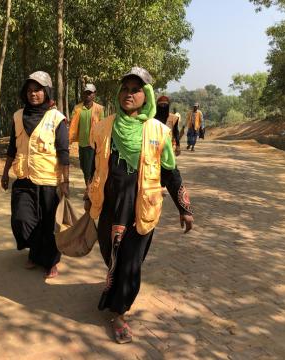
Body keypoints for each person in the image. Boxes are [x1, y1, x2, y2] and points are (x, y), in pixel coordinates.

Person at [85, 67, 194, 344]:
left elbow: (170, 172)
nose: (129, 94)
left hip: (141, 207)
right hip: (110, 205)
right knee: (111, 254)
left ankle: (119, 314)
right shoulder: (103, 127)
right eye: (125, 89)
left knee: (131, 262)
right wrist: (89, 194)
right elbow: (94, 166)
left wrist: (184, 208)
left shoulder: (159, 131)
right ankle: (116, 285)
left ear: (146, 96)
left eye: (136, 90)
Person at [1, 71, 69, 279]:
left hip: (48, 179)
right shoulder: (18, 116)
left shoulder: (57, 118)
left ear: (46, 92)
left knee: (48, 223)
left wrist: (65, 181)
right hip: (23, 178)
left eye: (38, 90)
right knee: (22, 219)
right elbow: (12, 147)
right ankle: (34, 249)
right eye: (29, 90)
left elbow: (63, 151)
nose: (33, 94)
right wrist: (5, 172)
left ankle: (50, 261)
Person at [69, 84, 104, 184]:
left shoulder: (99, 109)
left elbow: (102, 126)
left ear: (94, 95)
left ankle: (89, 189)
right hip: (81, 144)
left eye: (90, 93)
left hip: (93, 144)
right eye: (86, 93)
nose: (88, 95)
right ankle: (88, 186)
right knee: (83, 167)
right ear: (83, 94)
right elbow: (73, 124)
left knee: (90, 168)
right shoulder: (77, 108)